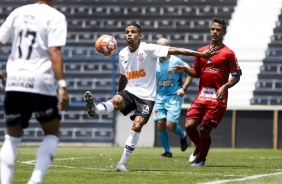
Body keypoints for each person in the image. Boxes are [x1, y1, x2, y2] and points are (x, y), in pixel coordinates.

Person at [84, 22, 218, 172]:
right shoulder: (122, 54)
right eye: (127, 31)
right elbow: (123, 78)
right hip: (130, 90)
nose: (129, 34)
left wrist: (199, 54)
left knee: (137, 125)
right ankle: (95, 109)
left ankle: (121, 163)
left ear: (140, 35)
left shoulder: (148, 49)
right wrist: (118, 92)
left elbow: (175, 50)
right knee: (116, 100)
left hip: (147, 97)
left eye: (133, 32)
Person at [0, 0, 69, 183]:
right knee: (52, 133)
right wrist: (62, 85)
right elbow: (54, 50)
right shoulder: (55, 17)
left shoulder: (18, 12)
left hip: (14, 82)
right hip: (41, 84)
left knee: (12, 137)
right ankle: (35, 180)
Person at [173, 17, 242, 167]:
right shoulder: (201, 51)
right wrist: (185, 69)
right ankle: (200, 147)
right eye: (213, 29)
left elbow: (236, 76)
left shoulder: (228, 53)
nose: (215, 32)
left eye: (218, 30)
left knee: (204, 129)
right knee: (189, 126)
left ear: (224, 32)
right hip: (201, 97)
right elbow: (196, 72)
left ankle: (201, 159)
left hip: (217, 99)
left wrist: (224, 87)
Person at [154, 38, 193, 158]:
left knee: (170, 125)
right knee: (160, 123)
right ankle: (167, 151)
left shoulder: (176, 61)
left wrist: (184, 88)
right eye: (159, 47)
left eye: (164, 46)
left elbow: (190, 72)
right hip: (160, 97)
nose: (162, 49)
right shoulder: (153, 62)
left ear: (169, 48)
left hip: (174, 97)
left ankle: (183, 136)